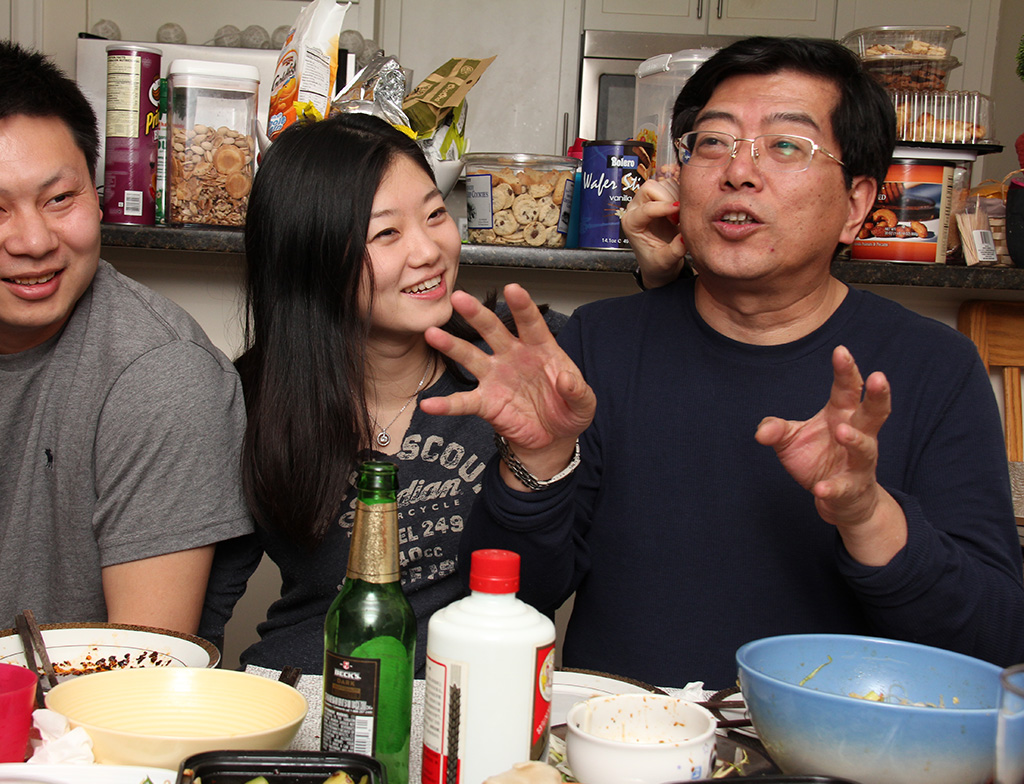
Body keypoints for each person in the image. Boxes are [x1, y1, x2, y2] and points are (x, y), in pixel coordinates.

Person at [420, 37, 1024, 689]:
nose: (739, 171)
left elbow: (994, 644)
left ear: (856, 205)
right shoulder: (602, 344)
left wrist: (867, 514)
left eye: (786, 145)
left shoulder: (933, 367)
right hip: (623, 738)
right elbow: (511, 602)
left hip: (836, 747)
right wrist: (535, 464)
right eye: (713, 142)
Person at [0, 37, 251, 659]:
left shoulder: (163, 373)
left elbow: (143, 665)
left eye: (60, 199)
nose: (35, 241)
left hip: (78, 707)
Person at [197, 113, 563, 675]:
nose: (429, 250)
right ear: (312, 258)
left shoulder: (520, 362)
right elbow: (196, 614)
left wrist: (542, 456)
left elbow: (543, 590)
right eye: (386, 233)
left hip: (469, 695)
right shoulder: (246, 400)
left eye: (435, 214)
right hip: (307, 691)